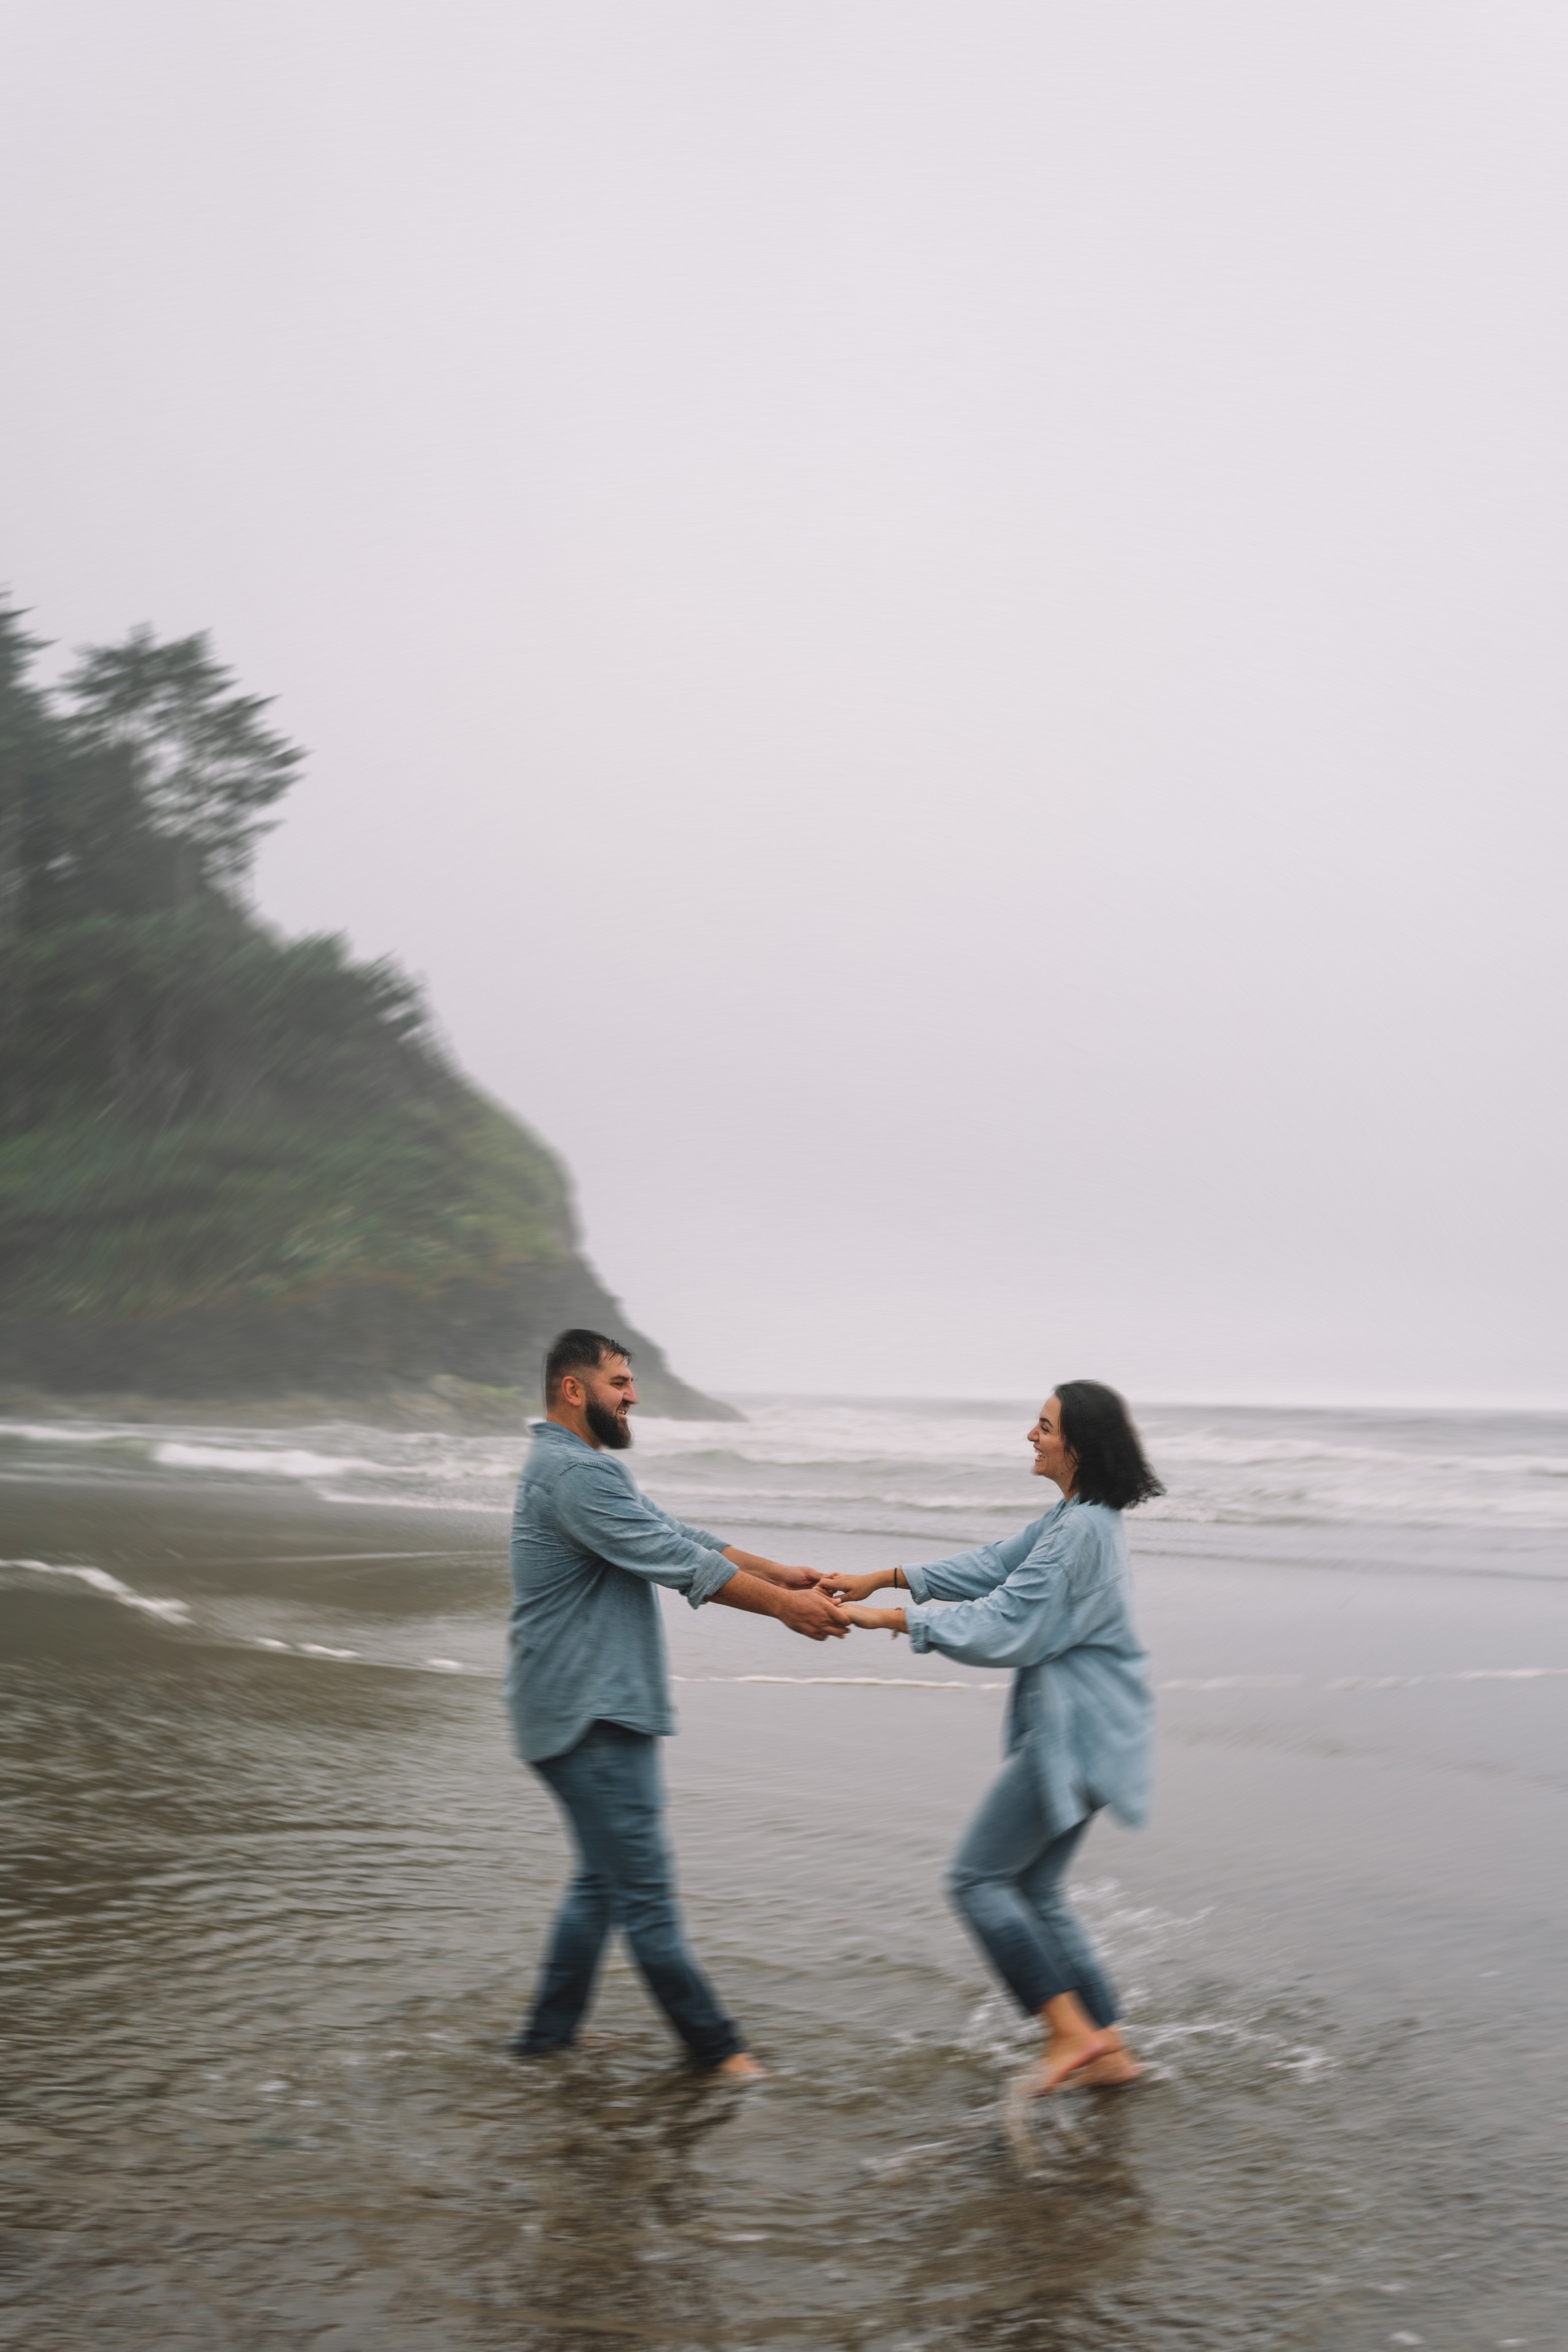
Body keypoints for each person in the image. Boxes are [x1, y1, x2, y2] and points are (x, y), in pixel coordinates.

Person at [507, 1327, 848, 2077]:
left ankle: (544, 2039)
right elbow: (678, 1563)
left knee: (602, 1884)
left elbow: (679, 1536)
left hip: (573, 1709)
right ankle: (722, 2056)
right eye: (619, 1383)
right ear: (575, 1389)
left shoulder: (577, 1468)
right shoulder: (576, 1477)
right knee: (646, 1900)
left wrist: (781, 1574)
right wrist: (786, 1610)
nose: (632, 1397)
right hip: (589, 1716)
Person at [829, 1380, 1161, 2095]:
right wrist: (883, 1578)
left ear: (1078, 1445)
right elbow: (992, 1565)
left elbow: (1009, 1622)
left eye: (1044, 1427)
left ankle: (1069, 2035)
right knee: (1036, 1888)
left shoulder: (1079, 1532)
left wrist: (891, 1620)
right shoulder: (1080, 1516)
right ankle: (1107, 2052)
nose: (1030, 1436)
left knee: (977, 1881)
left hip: (1072, 1736)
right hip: (1100, 1734)